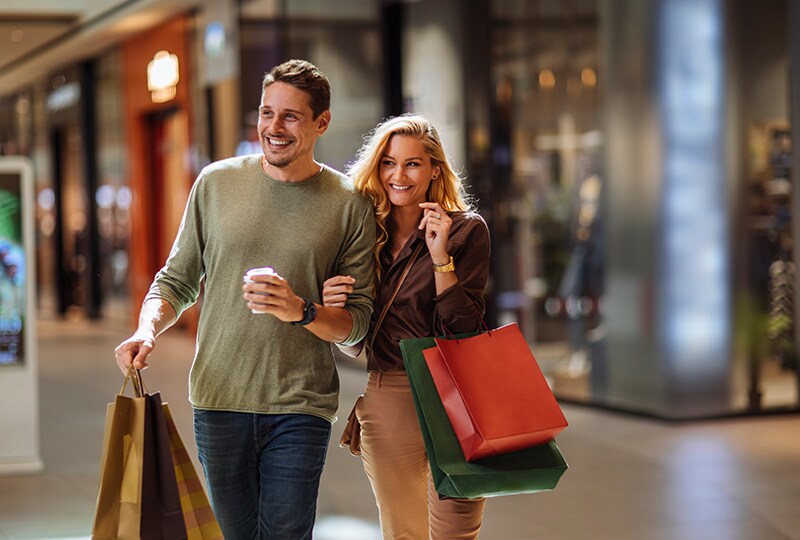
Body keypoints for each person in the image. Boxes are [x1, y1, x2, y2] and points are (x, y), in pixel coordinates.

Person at [114, 59, 375, 540]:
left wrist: (302, 310)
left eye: (291, 116)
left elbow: (356, 324)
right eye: (266, 112)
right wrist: (146, 329)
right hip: (219, 399)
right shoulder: (215, 184)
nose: (273, 128)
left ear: (322, 122)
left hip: (301, 403)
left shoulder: (348, 203)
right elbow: (175, 280)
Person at [323, 114, 490, 539]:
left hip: (457, 396)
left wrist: (440, 260)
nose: (399, 175)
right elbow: (355, 341)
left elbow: (464, 330)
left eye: (413, 163)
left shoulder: (466, 231)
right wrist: (333, 309)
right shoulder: (363, 237)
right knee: (404, 534)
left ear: (435, 169)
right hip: (390, 396)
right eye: (388, 163)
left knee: (457, 533)